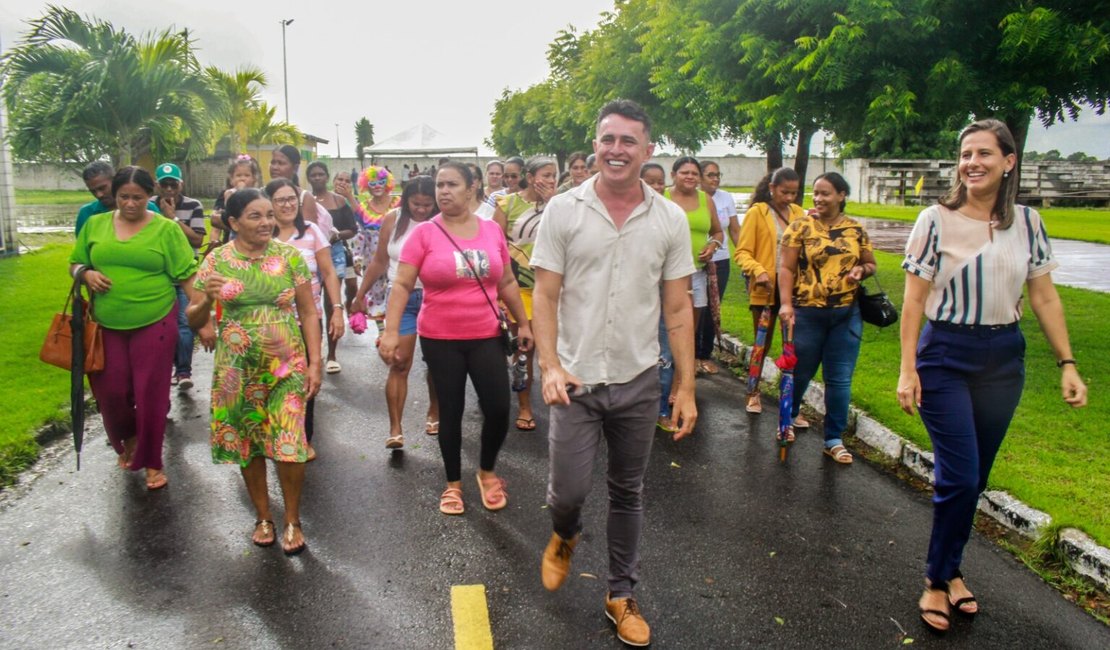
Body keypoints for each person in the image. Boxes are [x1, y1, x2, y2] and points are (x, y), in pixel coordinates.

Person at [896, 119, 1087, 634]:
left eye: (984, 153)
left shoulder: (1027, 222)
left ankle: (952, 568)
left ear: (1009, 162)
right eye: (965, 154)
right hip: (946, 355)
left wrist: (1067, 362)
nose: (972, 162)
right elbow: (914, 301)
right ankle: (937, 579)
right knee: (958, 475)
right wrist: (907, 369)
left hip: (1004, 356)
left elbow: (1044, 295)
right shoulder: (934, 220)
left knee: (974, 478)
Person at [532, 99, 697, 648]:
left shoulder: (669, 218)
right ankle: (565, 532)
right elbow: (546, 294)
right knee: (568, 491)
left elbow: (677, 310)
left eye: (629, 141)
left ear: (649, 150)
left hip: (636, 380)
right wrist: (550, 365)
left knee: (628, 491)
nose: (616, 149)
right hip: (574, 382)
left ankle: (621, 593)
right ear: (595, 144)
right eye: (608, 139)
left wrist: (686, 387)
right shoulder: (563, 210)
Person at [379, 162, 532, 516]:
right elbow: (402, 283)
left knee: (497, 408)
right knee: (451, 411)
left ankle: (487, 471)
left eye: (452, 185)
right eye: (439, 185)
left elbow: (507, 281)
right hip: (440, 336)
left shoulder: (492, 230)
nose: (443, 192)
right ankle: (452, 485)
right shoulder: (424, 234)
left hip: (486, 334)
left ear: (472, 188)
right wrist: (390, 330)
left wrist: (522, 324)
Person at [186, 187, 321, 555]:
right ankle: (264, 516)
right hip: (237, 368)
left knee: (290, 443)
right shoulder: (217, 261)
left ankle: (293, 518)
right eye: (255, 216)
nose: (266, 222)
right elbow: (193, 317)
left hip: (286, 365)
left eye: (269, 215)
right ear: (233, 222)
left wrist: (314, 361)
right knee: (249, 444)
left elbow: (308, 312)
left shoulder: (289, 256)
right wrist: (209, 300)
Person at [69, 166, 212, 490]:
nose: (131, 204)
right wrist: (85, 274)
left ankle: (151, 461)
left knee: (151, 393)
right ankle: (129, 437)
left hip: (155, 320)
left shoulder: (165, 230)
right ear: (114, 195)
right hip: (107, 324)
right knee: (112, 393)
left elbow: (188, 275)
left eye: (138, 197)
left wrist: (203, 320)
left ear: (150, 196)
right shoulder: (95, 224)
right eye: (124, 197)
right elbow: (75, 261)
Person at [777, 172, 875, 461]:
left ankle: (833, 438)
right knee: (801, 372)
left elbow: (870, 263)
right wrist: (785, 305)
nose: (818, 198)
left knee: (840, 379)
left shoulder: (856, 230)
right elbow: (786, 269)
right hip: (806, 313)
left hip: (846, 315)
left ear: (842, 195)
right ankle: (789, 417)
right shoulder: (800, 227)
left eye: (826, 193)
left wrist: (861, 271)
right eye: (815, 193)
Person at [352, 176, 441, 447]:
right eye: (416, 203)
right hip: (400, 299)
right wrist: (360, 294)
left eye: (428, 204)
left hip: (434, 299)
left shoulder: (441, 223)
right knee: (399, 362)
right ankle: (395, 428)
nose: (422, 210)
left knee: (436, 364)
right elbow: (379, 260)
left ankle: (434, 411)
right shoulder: (392, 219)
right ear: (406, 200)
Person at [268, 178, 345, 460]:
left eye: (291, 199)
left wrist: (337, 308)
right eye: (280, 200)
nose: (287, 205)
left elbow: (328, 272)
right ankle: (273, 436)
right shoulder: (263, 235)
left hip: (306, 320)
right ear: (269, 205)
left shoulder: (311, 231)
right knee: (272, 382)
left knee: (305, 380)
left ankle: (303, 437)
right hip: (270, 325)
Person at [492, 156, 557, 432]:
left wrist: (554, 201)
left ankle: (562, 404)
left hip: (553, 286)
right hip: (518, 287)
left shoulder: (563, 204)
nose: (552, 181)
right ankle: (525, 406)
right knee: (523, 351)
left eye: (554, 175)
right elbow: (494, 245)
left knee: (555, 350)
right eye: (546, 175)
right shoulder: (506, 204)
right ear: (530, 177)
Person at [735, 167, 804, 413]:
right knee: (761, 344)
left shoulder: (799, 213)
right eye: (784, 192)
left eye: (793, 193)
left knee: (792, 345)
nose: (788, 198)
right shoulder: (758, 212)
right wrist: (758, 270)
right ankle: (753, 392)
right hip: (765, 289)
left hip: (793, 290)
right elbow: (742, 252)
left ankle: (791, 401)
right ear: (772, 188)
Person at [664, 157, 724, 377]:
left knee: (689, 329)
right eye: (684, 172)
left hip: (696, 273)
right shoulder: (663, 196)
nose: (690, 177)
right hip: (665, 275)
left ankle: (681, 381)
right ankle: (660, 378)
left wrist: (712, 245)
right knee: (663, 328)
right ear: (673, 175)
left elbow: (718, 231)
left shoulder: (705, 199)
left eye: (694, 173)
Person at [154, 162, 207, 390]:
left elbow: (197, 240)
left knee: (186, 324)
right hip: (160, 276)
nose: (169, 189)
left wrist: (173, 218)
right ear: (157, 185)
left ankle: (184, 371)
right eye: (164, 184)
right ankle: (165, 370)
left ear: (181, 184)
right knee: (163, 327)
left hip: (187, 274)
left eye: (173, 184)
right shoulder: (149, 207)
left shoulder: (193, 205)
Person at [308, 161, 359, 373]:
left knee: (331, 303)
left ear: (327, 177)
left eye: (321, 174)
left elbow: (352, 229)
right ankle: (314, 352)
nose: (317, 178)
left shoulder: (338, 201)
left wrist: (337, 234)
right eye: (313, 175)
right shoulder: (304, 200)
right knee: (311, 306)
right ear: (308, 177)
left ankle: (331, 354)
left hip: (335, 254)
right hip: (310, 254)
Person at [695, 161, 739, 374]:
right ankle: (691, 356)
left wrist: (743, 254)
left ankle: (704, 355)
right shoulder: (693, 198)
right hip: (695, 261)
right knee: (697, 309)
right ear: (700, 177)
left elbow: (734, 230)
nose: (715, 179)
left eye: (717, 175)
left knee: (713, 308)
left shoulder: (726, 198)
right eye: (710, 175)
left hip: (720, 260)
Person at [351, 166, 401, 320]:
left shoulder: (399, 203)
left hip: (395, 256)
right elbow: (360, 235)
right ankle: (381, 333)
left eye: (381, 181)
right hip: (372, 259)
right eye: (372, 183)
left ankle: (396, 328)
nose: (378, 186)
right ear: (366, 185)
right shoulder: (363, 208)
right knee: (375, 294)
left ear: (388, 183)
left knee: (397, 291)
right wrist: (357, 257)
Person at [75, 161, 159, 235]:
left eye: (102, 188)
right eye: (93, 191)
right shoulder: (86, 213)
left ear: (115, 181)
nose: (99, 195)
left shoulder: (149, 208)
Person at [210, 155, 263, 244]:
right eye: (238, 175)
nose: (242, 178)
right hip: (232, 236)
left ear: (254, 179)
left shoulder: (258, 194)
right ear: (231, 179)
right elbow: (227, 212)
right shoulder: (227, 193)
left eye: (247, 175)